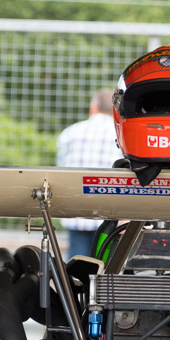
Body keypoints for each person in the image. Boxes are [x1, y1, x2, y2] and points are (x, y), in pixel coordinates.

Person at [56, 89, 122, 259]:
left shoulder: (70, 133)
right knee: (107, 271)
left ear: (93, 108)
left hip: (76, 213)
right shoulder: (121, 135)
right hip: (111, 215)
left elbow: (61, 170)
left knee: (77, 270)